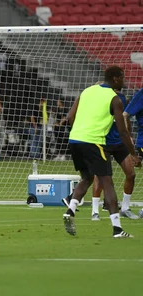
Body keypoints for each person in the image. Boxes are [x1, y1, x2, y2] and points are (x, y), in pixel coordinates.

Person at [62, 66, 139, 238]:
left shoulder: (87, 91)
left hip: (75, 139)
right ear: (116, 78)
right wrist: (133, 153)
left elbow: (69, 117)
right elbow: (123, 131)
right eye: (123, 77)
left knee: (87, 177)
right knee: (107, 182)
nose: (124, 81)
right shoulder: (115, 98)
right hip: (94, 141)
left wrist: (80, 130)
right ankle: (117, 229)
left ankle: (70, 210)